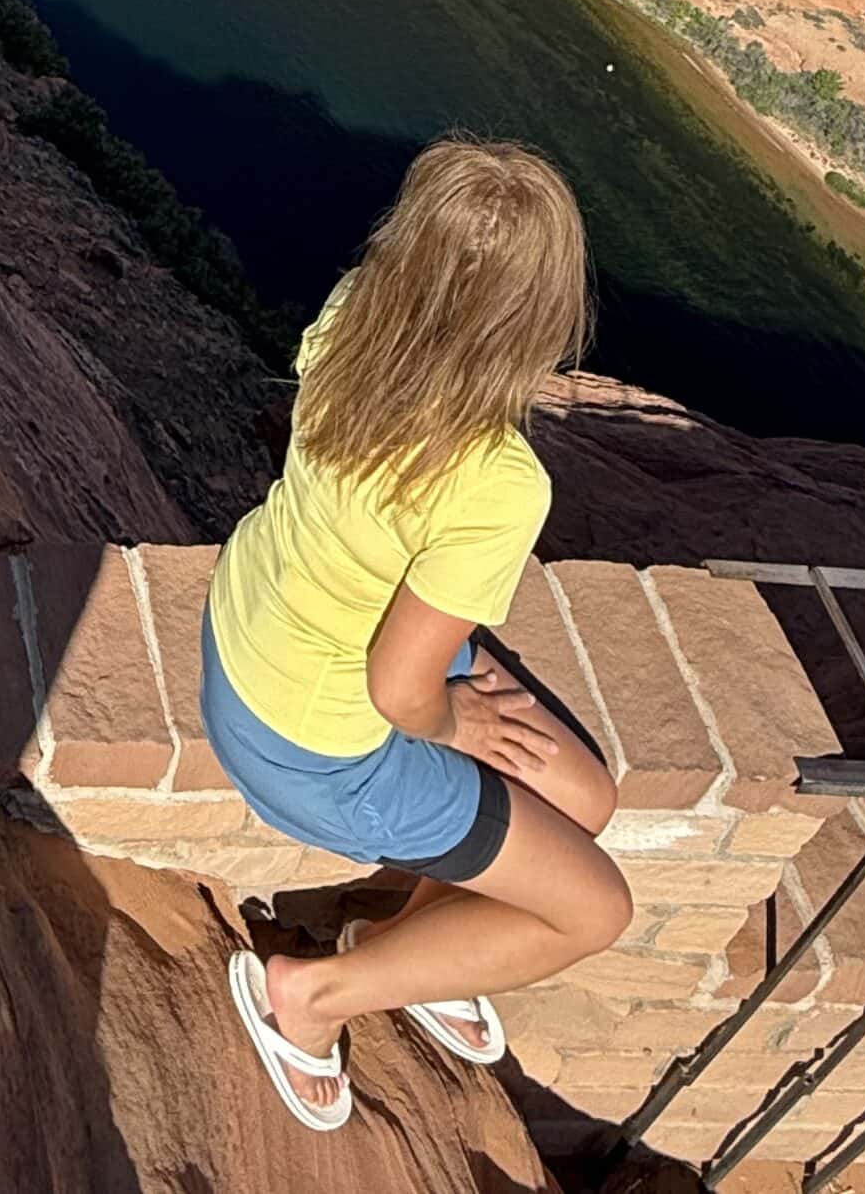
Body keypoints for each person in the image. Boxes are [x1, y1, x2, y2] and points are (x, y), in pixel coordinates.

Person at [203, 137, 631, 1132]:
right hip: (321, 748)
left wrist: (442, 707)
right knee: (593, 911)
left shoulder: (358, 311)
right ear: (541, 308)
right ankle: (309, 996)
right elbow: (401, 692)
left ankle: (412, 945)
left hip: (252, 634)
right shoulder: (496, 481)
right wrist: (452, 721)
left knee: (586, 795)